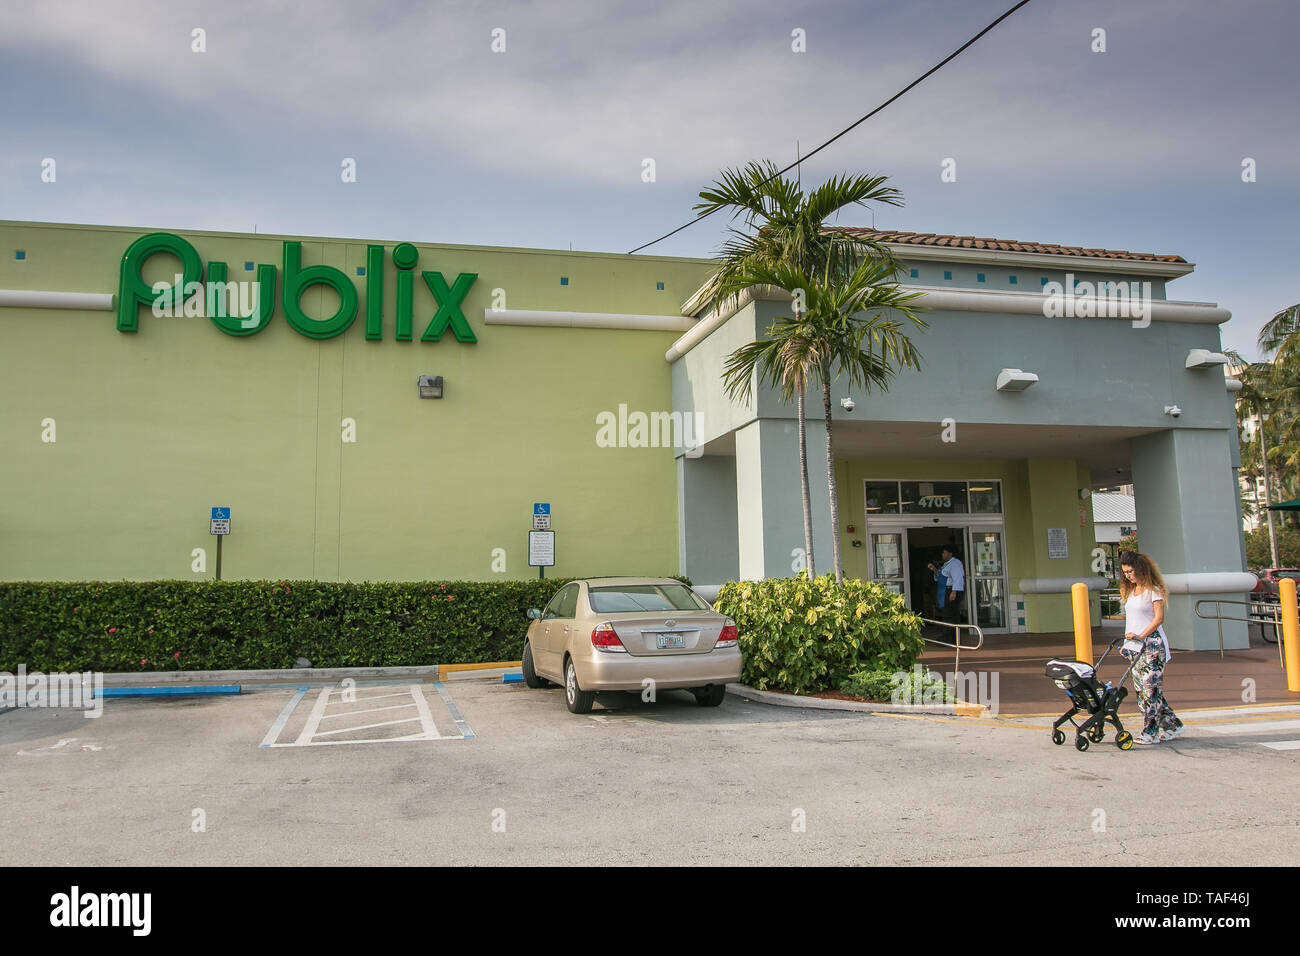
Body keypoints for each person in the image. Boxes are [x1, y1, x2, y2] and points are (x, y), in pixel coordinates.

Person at [1118, 550, 1185, 744]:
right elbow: (1131, 621)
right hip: (1136, 646)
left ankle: (1151, 731)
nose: (1128, 575)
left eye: (1131, 571)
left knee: (1150, 690)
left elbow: (1158, 619)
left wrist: (1141, 636)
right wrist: (1128, 645)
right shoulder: (1132, 592)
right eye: (1125, 572)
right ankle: (1174, 725)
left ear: (1141, 569)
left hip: (1153, 646)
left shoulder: (1153, 590)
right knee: (1144, 691)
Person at [933, 546, 964, 625]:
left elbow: (958, 578)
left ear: (950, 554)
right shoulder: (946, 564)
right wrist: (934, 569)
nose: (942, 555)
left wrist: (954, 592)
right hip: (945, 591)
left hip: (951, 591)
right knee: (947, 614)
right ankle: (948, 635)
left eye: (944, 553)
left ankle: (950, 636)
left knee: (950, 615)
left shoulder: (955, 563)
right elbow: (940, 576)